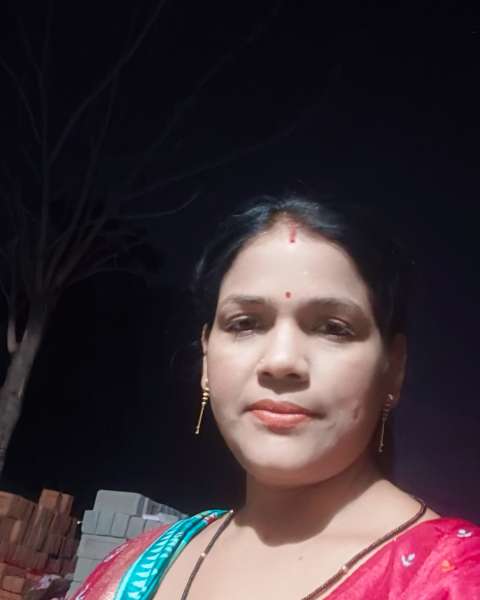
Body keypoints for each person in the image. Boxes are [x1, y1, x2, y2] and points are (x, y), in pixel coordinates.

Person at [71, 195, 480, 600]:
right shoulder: (137, 563)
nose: (281, 361)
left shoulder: (455, 581)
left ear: (394, 367)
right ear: (207, 358)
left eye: (333, 327)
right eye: (245, 323)